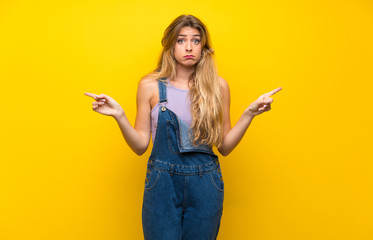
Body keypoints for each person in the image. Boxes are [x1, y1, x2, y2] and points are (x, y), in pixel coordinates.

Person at [85, 14, 282, 240]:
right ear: (171, 45)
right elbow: (140, 146)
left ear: (203, 47)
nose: (189, 47)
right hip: (162, 184)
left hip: (206, 184)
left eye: (196, 40)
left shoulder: (218, 86)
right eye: (181, 40)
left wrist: (249, 114)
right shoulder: (149, 86)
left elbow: (225, 147)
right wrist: (119, 115)